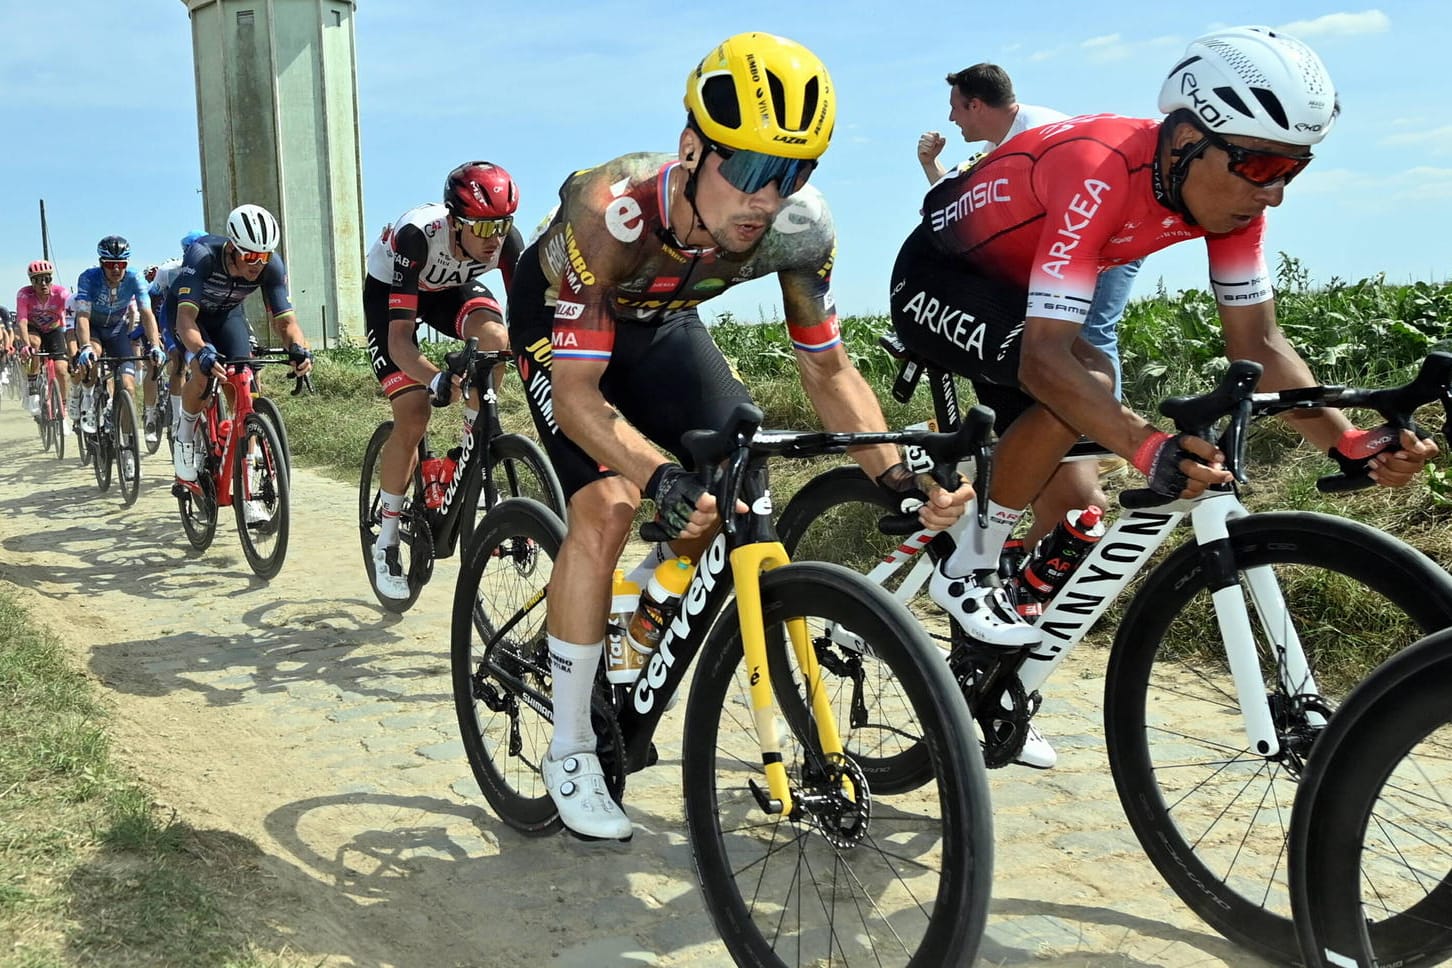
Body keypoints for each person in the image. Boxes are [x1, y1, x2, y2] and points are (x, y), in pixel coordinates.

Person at [887, 26, 1439, 769]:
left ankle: (986, 682)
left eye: (1294, 169)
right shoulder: (1099, 165)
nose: (1273, 189)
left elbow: (1262, 347)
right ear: (1184, 138)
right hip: (940, 277)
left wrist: (1348, 441)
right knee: (1085, 376)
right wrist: (1151, 448)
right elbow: (1050, 362)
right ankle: (971, 565)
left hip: (1023, 289)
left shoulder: (1238, 202)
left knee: (1075, 488)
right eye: (1261, 163)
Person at [510, 32, 969, 841]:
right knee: (611, 507)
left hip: (660, 322)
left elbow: (828, 371)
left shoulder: (800, 230)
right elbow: (580, 397)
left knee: (741, 476)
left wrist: (898, 478)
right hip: (563, 323)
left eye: (794, 173)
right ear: (692, 149)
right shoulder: (607, 212)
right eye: (752, 169)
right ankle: (572, 743)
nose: (769, 197)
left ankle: (650, 603)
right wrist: (658, 477)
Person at [917, 63, 1142, 546]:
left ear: (976, 104)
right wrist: (932, 170)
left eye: (956, 108)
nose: (952, 119)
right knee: (1061, 340)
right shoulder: (998, 148)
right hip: (1070, 242)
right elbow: (964, 211)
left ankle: (1100, 435)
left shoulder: (1039, 131)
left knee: (1090, 334)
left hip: (1104, 238)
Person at [362, 162, 525, 600]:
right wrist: (435, 380)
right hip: (393, 297)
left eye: (502, 225)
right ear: (455, 221)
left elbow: (528, 316)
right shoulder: (416, 236)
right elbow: (399, 342)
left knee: (497, 340)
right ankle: (388, 539)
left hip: (450, 292)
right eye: (483, 227)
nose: (494, 239)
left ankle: (470, 443)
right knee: (413, 415)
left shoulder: (504, 240)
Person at [170, 204, 313, 489]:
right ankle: (184, 436)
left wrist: (298, 349)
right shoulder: (202, 256)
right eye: (250, 255)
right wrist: (201, 351)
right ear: (233, 247)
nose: (257, 264)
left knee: (244, 380)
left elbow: (286, 322)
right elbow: (185, 320)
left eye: (264, 256)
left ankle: (247, 475)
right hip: (188, 316)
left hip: (226, 315)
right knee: (202, 370)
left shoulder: (270, 266)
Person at [73, 237, 165, 450]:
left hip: (116, 330)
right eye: (110, 264)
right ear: (101, 263)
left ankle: (126, 444)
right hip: (93, 329)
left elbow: (146, 312)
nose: (116, 269)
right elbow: (83, 316)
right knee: (92, 355)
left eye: (121, 264)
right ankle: (88, 398)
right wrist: (85, 346)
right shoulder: (88, 278)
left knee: (129, 387)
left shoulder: (134, 278)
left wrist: (155, 345)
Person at [147, 231, 208, 444]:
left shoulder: (213, 265)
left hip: (200, 318)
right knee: (178, 360)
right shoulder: (168, 271)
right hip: (171, 316)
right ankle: (176, 418)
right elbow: (151, 297)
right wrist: (153, 329)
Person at [14, 260, 74, 417]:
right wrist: (26, 346)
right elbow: (22, 321)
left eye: (47, 279)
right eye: (37, 280)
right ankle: (33, 384)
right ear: (31, 282)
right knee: (34, 344)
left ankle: (63, 405)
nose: (43, 284)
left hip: (54, 330)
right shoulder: (24, 294)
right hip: (33, 329)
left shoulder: (62, 294)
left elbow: (70, 320)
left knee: (61, 369)